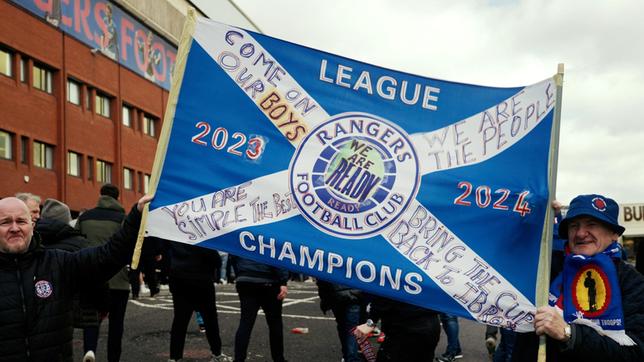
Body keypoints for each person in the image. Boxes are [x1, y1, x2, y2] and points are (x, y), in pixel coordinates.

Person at [0, 194, 150, 362]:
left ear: (32, 225)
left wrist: (136, 216)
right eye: (5, 222)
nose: (14, 228)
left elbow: (109, 256)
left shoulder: (58, 262)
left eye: (21, 221)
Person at [512, 194, 644, 361]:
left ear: (614, 233)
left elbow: (636, 353)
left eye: (592, 224)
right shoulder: (548, 267)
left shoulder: (632, 282)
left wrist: (569, 333)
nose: (581, 233)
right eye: (574, 226)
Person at [75, 184, 130, 362]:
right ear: (117, 198)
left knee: (91, 318)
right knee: (116, 324)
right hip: (118, 279)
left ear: (100, 196)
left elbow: (75, 243)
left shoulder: (84, 218)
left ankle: (89, 351)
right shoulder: (123, 219)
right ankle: (113, 358)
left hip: (90, 277)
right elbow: (129, 247)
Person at [166, 241, 231, 362]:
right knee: (210, 320)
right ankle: (216, 354)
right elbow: (215, 259)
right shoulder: (201, 234)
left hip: (179, 279)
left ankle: (175, 357)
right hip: (201, 280)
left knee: (180, 321)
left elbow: (166, 254)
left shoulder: (175, 235)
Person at [230, 255, 289, 362]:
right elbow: (277, 256)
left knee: (245, 323)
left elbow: (233, 255)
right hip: (269, 280)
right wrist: (283, 281)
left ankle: (239, 359)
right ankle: (278, 358)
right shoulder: (271, 237)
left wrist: (240, 274)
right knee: (275, 324)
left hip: (245, 279)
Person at [354, 295, 440, 362]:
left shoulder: (396, 274)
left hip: (403, 329)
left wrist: (370, 323)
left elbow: (383, 298)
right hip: (430, 325)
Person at [317, 280, 366, 362]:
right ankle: (351, 358)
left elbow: (322, 281)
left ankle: (347, 355)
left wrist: (325, 302)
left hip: (335, 296)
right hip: (354, 296)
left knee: (342, 326)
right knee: (352, 329)